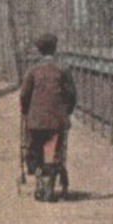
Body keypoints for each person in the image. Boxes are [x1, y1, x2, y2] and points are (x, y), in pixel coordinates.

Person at [19, 32, 77, 202]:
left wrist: (27, 111)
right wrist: (67, 111)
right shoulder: (62, 70)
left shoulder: (33, 71)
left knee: (35, 149)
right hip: (56, 121)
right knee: (54, 150)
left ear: (39, 51)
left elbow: (24, 95)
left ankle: (39, 182)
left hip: (36, 121)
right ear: (55, 49)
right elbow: (72, 95)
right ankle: (50, 185)